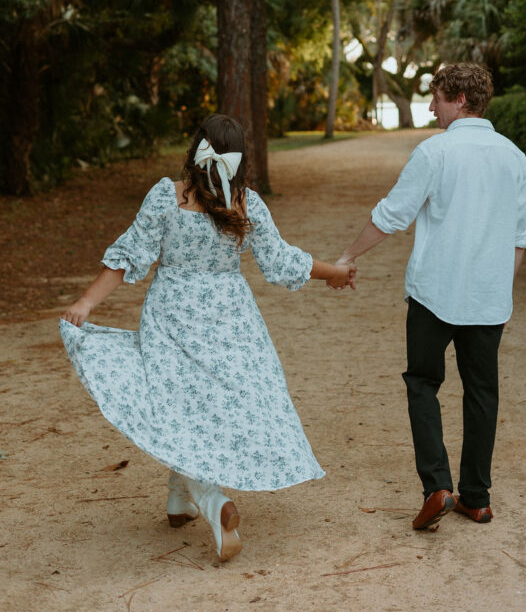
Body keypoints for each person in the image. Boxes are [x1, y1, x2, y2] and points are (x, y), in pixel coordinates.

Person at [61, 114, 356, 563]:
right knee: (204, 409)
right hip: (231, 322)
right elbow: (279, 261)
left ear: (195, 150)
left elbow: (129, 255)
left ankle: (211, 502)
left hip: (174, 316)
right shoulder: (245, 202)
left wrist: (86, 302)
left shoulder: (169, 196)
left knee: (175, 405)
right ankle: (179, 499)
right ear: (240, 160)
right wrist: (334, 273)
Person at [336, 63, 526, 531]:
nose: (429, 106)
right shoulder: (515, 158)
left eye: (436, 97)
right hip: (487, 298)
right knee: (483, 393)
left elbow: (392, 214)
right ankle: (477, 499)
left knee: (423, 383)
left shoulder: (435, 152)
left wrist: (346, 256)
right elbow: (519, 238)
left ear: (459, 99)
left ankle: (437, 488)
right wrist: (501, 291)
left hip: (434, 294)